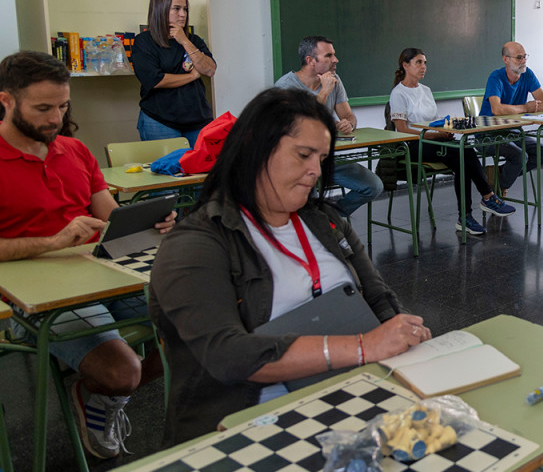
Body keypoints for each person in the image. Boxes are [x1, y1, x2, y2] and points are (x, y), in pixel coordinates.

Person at [148, 87, 431, 444]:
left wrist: (404, 332)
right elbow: (228, 355)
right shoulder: (197, 244)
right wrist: (364, 346)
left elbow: (376, 294)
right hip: (249, 427)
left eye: (322, 158)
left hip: (349, 404)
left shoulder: (325, 222)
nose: (315, 170)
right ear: (255, 148)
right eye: (303, 155)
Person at [0, 51, 175, 459]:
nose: (55, 118)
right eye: (42, 108)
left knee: (197, 325)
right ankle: (105, 390)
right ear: (6, 101)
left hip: (100, 272)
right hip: (36, 293)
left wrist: (148, 224)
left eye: (62, 106)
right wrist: (52, 242)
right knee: (123, 372)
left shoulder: (74, 151)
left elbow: (110, 219)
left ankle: (97, 393)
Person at [388, 48, 516, 236]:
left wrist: (445, 129)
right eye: (418, 62)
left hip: (435, 140)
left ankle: (468, 215)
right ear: (405, 65)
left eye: (425, 62)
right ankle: (485, 199)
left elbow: (433, 120)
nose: (424, 67)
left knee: (464, 153)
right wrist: (433, 135)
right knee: (460, 155)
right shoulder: (398, 93)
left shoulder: (426, 90)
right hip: (415, 145)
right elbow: (402, 129)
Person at [275, 36, 384, 217]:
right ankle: (316, 223)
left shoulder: (335, 80)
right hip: (297, 162)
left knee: (373, 186)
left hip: (326, 158)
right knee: (306, 204)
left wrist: (348, 123)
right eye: (329, 56)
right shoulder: (285, 87)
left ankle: (329, 217)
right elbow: (299, 126)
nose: (336, 60)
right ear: (310, 60)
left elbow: (348, 115)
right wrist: (324, 91)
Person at [131, 0, 217, 146]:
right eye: (176, 9)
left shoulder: (193, 40)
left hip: (198, 120)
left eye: (185, 9)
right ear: (160, 10)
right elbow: (155, 80)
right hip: (160, 121)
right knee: (168, 169)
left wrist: (185, 41)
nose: (183, 14)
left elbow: (209, 69)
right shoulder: (144, 41)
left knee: (201, 169)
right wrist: (191, 76)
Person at [479, 41, 543, 194]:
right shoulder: (496, 77)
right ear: (506, 59)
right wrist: (526, 108)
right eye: (519, 58)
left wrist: (523, 108)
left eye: (525, 57)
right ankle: (501, 187)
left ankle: (499, 177)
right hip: (487, 134)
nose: (524, 61)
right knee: (520, 156)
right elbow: (497, 109)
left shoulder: (528, 74)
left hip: (512, 132)